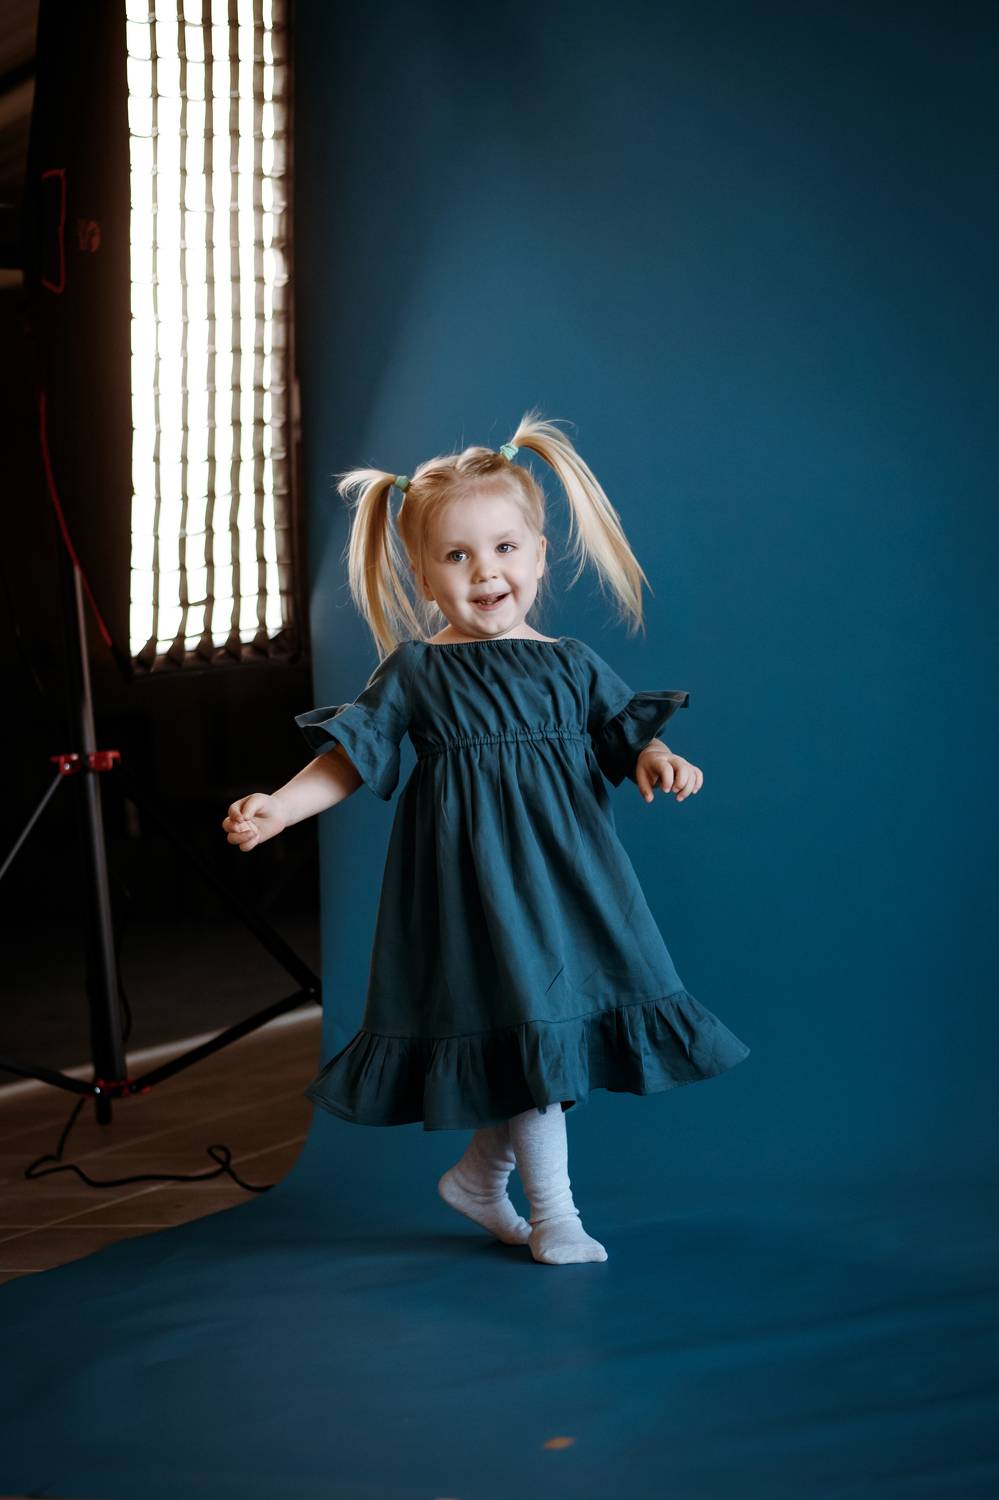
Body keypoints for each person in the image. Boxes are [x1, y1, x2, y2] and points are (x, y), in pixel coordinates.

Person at [221, 411, 750, 1266]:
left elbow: (625, 734)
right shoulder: (417, 670)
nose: (485, 571)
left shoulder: (570, 662)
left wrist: (657, 758)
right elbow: (350, 756)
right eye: (457, 556)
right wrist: (279, 807)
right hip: (471, 890)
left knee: (542, 1035)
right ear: (424, 577)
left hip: (568, 884)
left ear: (539, 555)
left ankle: (478, 1179)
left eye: (504, 548)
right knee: (530, 1030)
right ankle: (555, 1214)